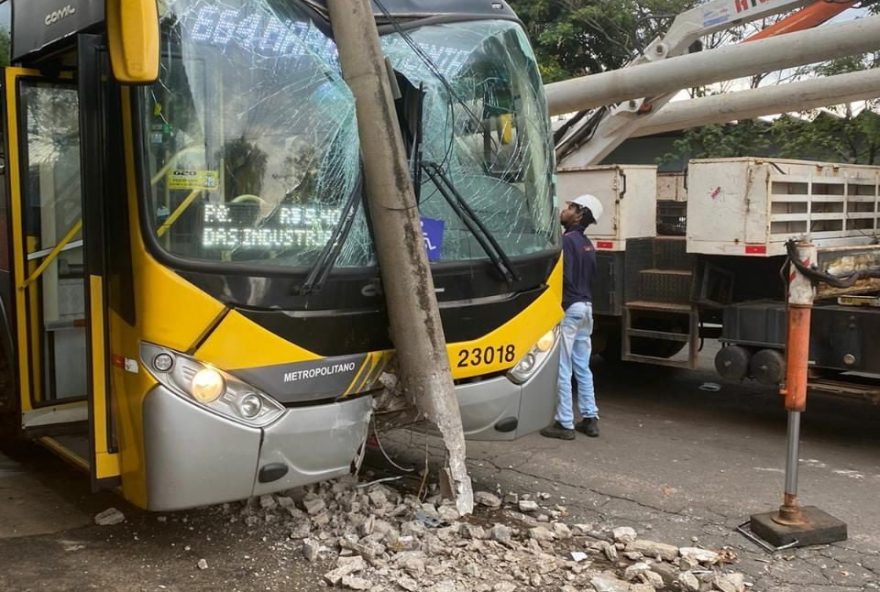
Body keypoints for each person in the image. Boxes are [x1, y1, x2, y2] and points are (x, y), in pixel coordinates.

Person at [541, 194, 603, 440]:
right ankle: (590, 418)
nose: (564, 210)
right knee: (582, 366)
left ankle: (564, 423)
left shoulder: (566, 242)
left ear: (579, 213)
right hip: (586, 309)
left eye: (569, 207)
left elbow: (561, 277)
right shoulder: (588, 244)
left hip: (570, 309)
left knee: (563, 367)